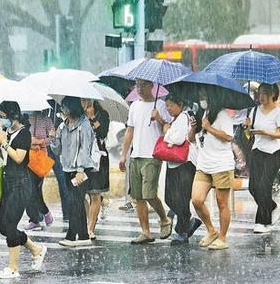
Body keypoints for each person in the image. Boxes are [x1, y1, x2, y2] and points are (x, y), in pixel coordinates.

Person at [0, 101, 47, 279]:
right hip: (8, 182)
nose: (2, 120)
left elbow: (19, 158)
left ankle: (13, 268)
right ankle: (36, 249)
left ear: (13, 115)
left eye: (4, 116)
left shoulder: (24, 134)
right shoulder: (7, 132)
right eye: (0, 117)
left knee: (10, 224)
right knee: (3, 227)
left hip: (20, 184)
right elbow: (6, 158)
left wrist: (5, 144)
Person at [119, 79, 173, 244]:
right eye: (137, 86)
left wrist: (159, 119)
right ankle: (146, 232)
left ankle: (164, 219)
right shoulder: (134, 105)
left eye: (142, 85)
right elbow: (130, 130)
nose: (139, 89)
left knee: (149, 194)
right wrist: (124, 154)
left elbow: (167, 130)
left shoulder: (161, 106)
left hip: (153, 155)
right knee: (137, 196)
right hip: (136, 155)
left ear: (151, 86)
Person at [191, 91, 235, 250]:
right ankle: (211, 230)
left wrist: (209, 128)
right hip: (204, 164)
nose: (202, 98)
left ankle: (223, 238)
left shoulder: (222, 115)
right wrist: (194, 128)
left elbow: (229, 137)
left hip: (221, 165)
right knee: (196, 199)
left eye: (205, 95)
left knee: (222, 203)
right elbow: (193, 139)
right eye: (201, 95)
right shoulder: (202, 113)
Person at [51, 97, 95, 246]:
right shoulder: (63, 126)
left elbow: (85, 148)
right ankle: (83, 237)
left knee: (74, 203)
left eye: (65, 107)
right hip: (67, 168)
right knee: (76, 202)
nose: (62, 110)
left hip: (80, 170)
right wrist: (53, 139)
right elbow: (57, 150)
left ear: (72, 107)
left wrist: (81, 170)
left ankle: (71, 236)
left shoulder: (84, 125)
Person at [245, 83, 280, 233]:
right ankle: (273, 207)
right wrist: (247, 127)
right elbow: (249, 134)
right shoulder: (254, 111)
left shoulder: (278, 113)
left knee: (263, 187)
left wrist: (266, 132)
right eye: (259, 93)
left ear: (272, 94)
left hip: (272, 154)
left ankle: (263, 223)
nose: (260, 96)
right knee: (253, 188)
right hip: (256, 152)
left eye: (264, 93)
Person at [161, 93, 202, 245]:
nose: (169, 109)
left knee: (181, 199)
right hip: (174, 162)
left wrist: (167, 134)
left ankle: (183, 232)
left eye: (171, 105)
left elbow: (178, 140)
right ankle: (190, 222)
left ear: (180, 103)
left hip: (184, 164)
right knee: (170, 198)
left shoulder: (184, 117)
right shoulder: (176, 120)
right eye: (167, 106)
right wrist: (169, 133)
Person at [83, 99, 110, 240]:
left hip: (98, 159)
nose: (84, 102)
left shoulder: (103, 115)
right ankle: (90, 219)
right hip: (82, 159)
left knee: (95, 194)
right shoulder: (78, 116)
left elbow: (103, 134)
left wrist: (92, 118)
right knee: (82, 194)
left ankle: (90, 227)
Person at [23, 110, 54, 231]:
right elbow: (25, 139)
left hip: (40, 158)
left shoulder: (47, 121)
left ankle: (42, 215)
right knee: (29, 190)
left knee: (36, 189)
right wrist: (37, 141)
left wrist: (40, 142)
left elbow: (51, 139)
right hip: (26, 158)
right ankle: (36, 218)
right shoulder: (25, 120)